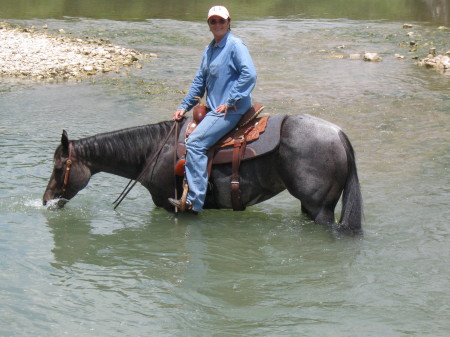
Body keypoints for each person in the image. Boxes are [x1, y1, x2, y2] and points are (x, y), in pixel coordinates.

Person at [169, 5, 257, 213]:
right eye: (213, 21)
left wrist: (231, 99)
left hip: (231, 109)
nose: (217, 24)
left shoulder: (235, 45)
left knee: (196, 142)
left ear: (229, 22)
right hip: (216, 108)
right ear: (209, 25)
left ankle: (193, 202)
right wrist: (184, 106)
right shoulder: (209, 49)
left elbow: (249, 74)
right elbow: (200, 82)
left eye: (221, 21)